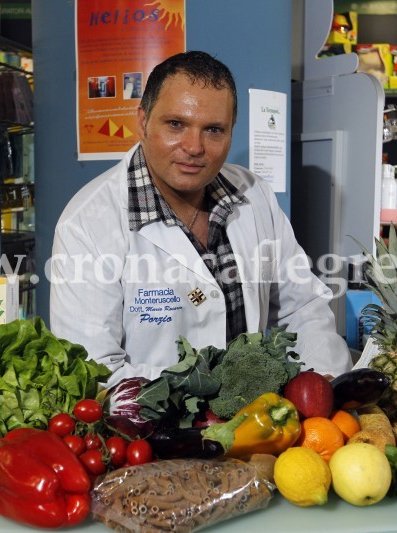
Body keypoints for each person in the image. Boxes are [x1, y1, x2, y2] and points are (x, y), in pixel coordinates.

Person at [50, 51, 351, 386]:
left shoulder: (255, 196)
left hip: (256, 425)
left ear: (231, 133)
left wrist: (322, 384)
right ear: (142, 121)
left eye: (213, 130)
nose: (194, 147)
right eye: (176, 124)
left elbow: (303, 306)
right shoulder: (87, 223)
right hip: (153, 432)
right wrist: (209, 396)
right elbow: (95, 370)